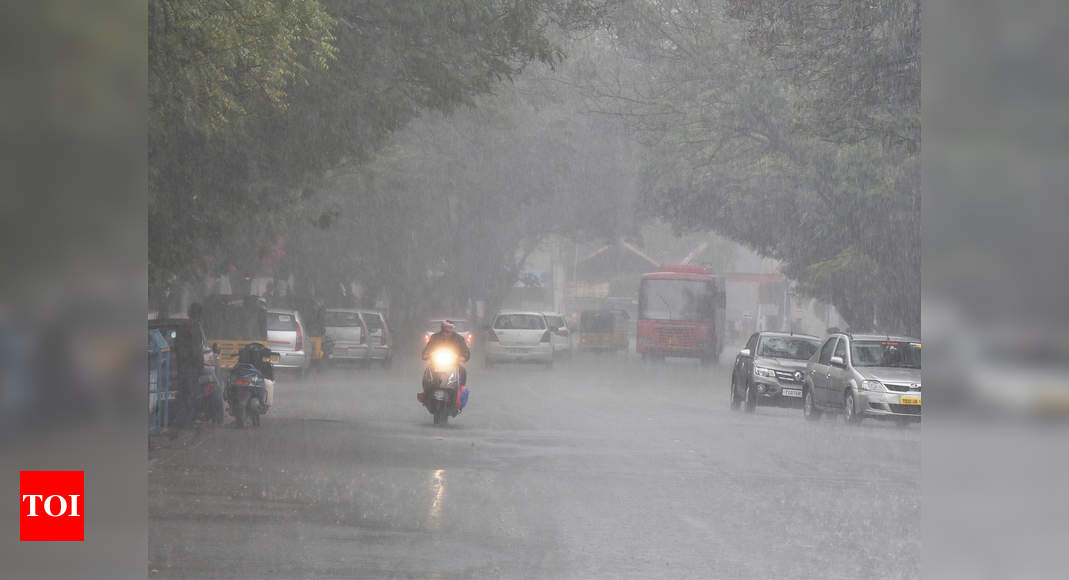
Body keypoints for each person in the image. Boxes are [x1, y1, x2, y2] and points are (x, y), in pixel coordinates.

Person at [422, 319, 470, 389]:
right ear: (442, 328)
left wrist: (463, 357)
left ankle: (460, 391)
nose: (447, 331)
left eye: (450, 328)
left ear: (453, 329)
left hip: (454, 364)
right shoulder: (434, 337)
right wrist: (426, 355)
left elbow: (465, 351)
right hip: (435, 364)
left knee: (462, 371)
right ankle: (426, 392)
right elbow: (427, 349)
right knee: (427, 372)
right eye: (445, 328)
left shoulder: (459, 339)